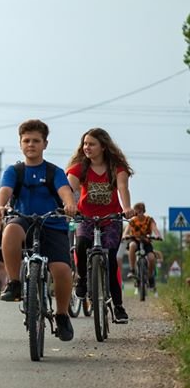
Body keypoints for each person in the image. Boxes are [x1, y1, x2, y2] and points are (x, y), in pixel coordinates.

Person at [0, 119, 77, 341]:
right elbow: (4, 191)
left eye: (36, 141)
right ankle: (15, 283)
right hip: (24, 221)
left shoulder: (54, 171)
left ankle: (61, 314)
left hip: (52, 224)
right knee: (10, 231)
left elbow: (65, 191)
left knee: (61, 271)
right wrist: (0, 205)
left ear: (45, 144)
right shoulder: (14, 171)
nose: (31, 144)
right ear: (20, 144)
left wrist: (69, 204)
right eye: (26, 140)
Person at [66, 128, 134, 322]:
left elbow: (122, 188)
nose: (87, 147)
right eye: (85, 144)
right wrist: (68, 204)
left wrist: (127, 207)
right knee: (80, 245)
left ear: (103, 146)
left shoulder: (116, 167)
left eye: (92, 144)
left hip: (111, 219)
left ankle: (118, 307)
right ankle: (82, 280)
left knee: (111, 260)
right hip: (85, 217)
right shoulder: (81, 167)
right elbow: (68, 187)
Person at [124, 202, 162, 294]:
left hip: (146, 241)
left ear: (144, 211)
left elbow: (155, 229)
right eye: (137, 212)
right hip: (135, 240)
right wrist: (125, 236)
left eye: (140, 211)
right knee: (132, 246)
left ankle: (150, 277)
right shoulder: (132, 221)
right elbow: (126, 231)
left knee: (151, 258)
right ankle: (132, 270)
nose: (139, 213)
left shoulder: (149, 220)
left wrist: (158, 235)